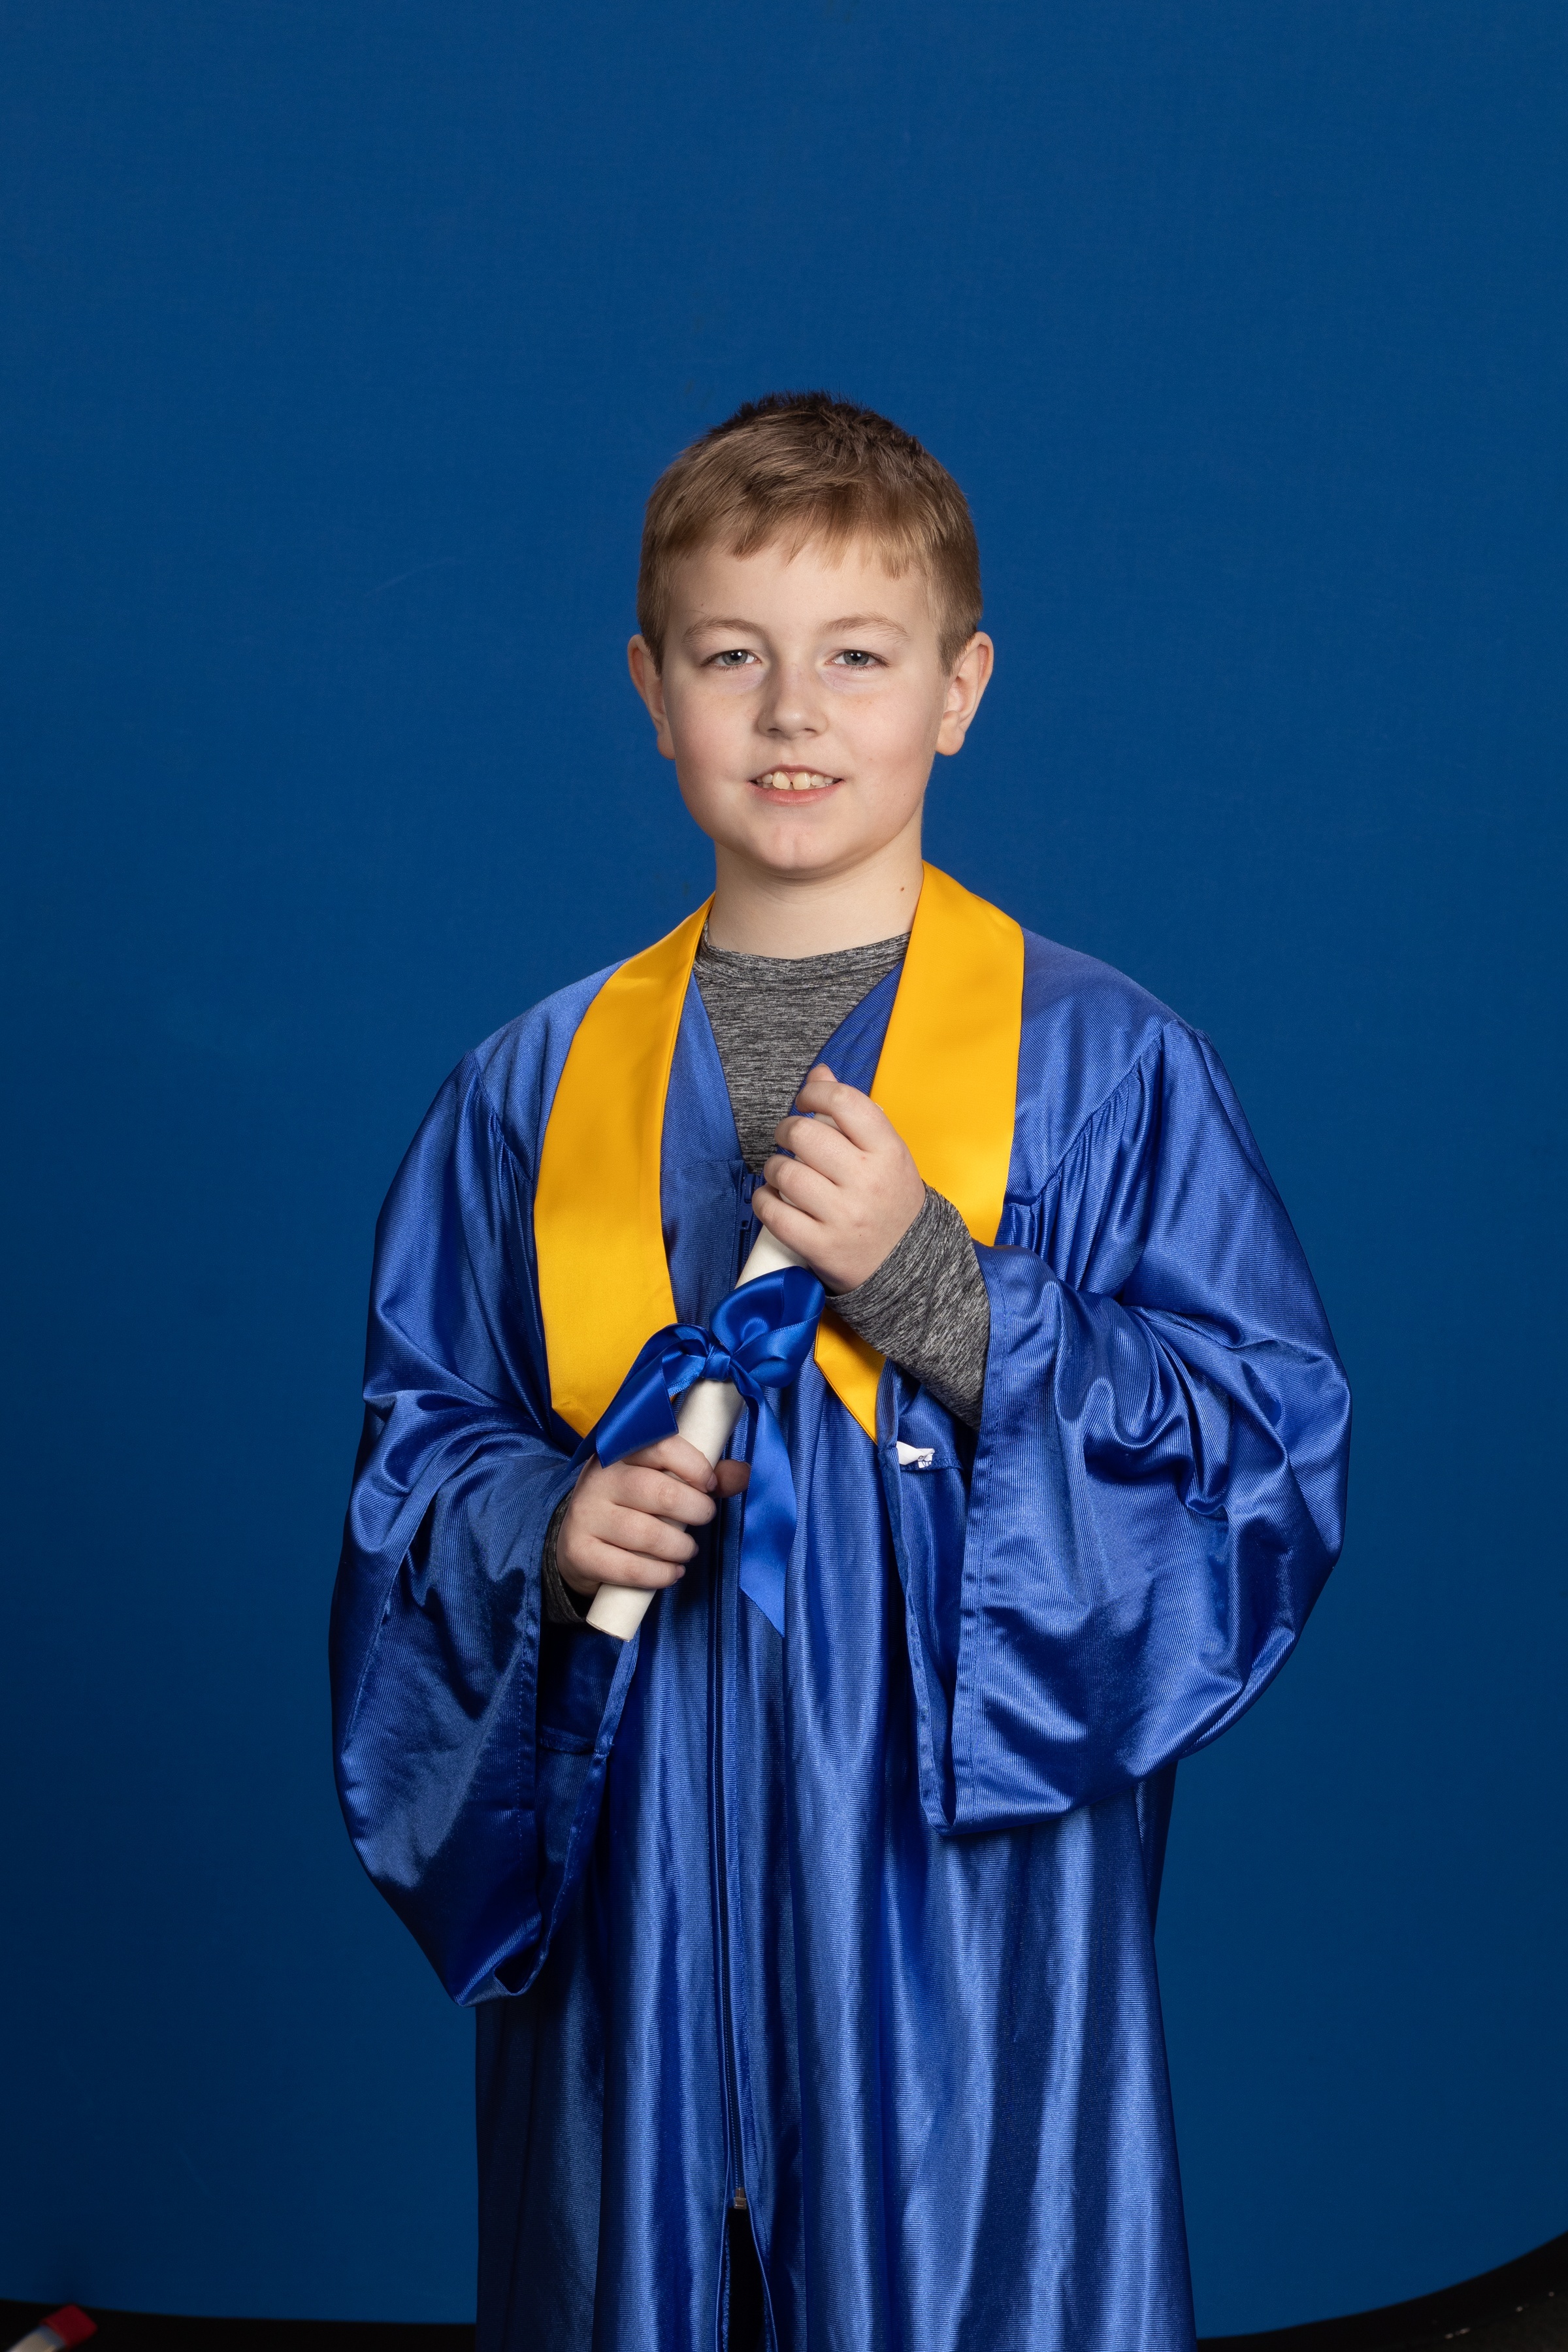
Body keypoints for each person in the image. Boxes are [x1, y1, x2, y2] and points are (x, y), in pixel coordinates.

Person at [330, 393, 1351, 2352]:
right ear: (653, 690)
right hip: (641, 1873)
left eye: (859, 659)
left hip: (956, 1899)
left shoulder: (1105, 1069)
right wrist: (549, 1522)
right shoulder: (529, 1091)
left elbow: (1261, 1459)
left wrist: (941, 1289)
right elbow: (420, 1451)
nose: (794, 713)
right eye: (734, 657)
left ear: (960, 690)